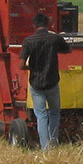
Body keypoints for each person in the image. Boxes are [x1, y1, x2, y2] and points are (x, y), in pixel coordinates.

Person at [19, 11, 65, 150]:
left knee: (41, 115)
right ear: (48, 24)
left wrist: (32, 66)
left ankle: (45, 147)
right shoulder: (55, 39)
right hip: (52, 82)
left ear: (34, 25)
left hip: (36, 84)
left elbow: (21, 65)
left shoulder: (28, 41)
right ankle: (53, 141)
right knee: (55, 112)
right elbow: (67, 50)